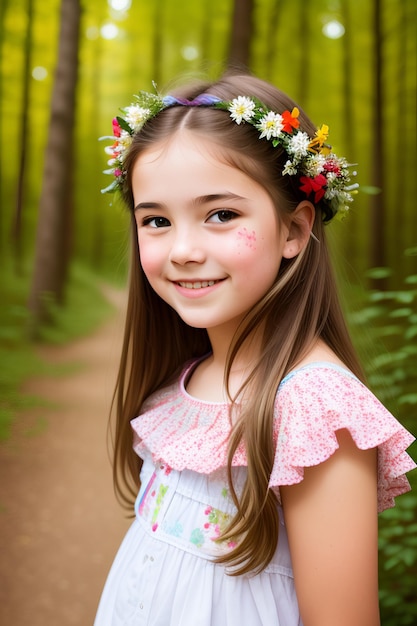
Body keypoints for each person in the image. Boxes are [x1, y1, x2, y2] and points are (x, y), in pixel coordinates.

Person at [95, 72, 416, 626]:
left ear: (294, 230)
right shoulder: (188, 377)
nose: (184, 250)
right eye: (156, 220)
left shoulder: (316, 409)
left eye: (221, 214)